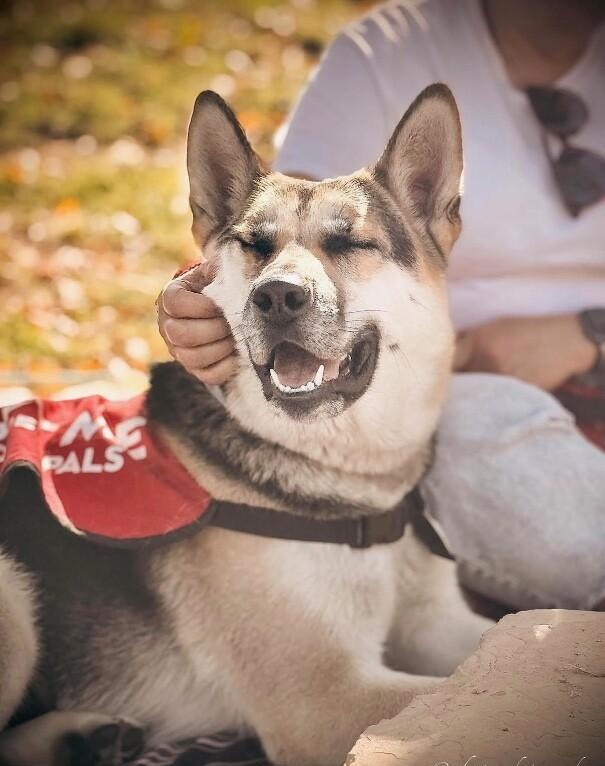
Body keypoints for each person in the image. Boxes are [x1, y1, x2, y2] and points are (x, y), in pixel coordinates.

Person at [157, 0, 605, 611]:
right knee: (486, 441)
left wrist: (590, 333)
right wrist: (197, 296)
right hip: (470, 395)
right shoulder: (386, 53)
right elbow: (283, 222)